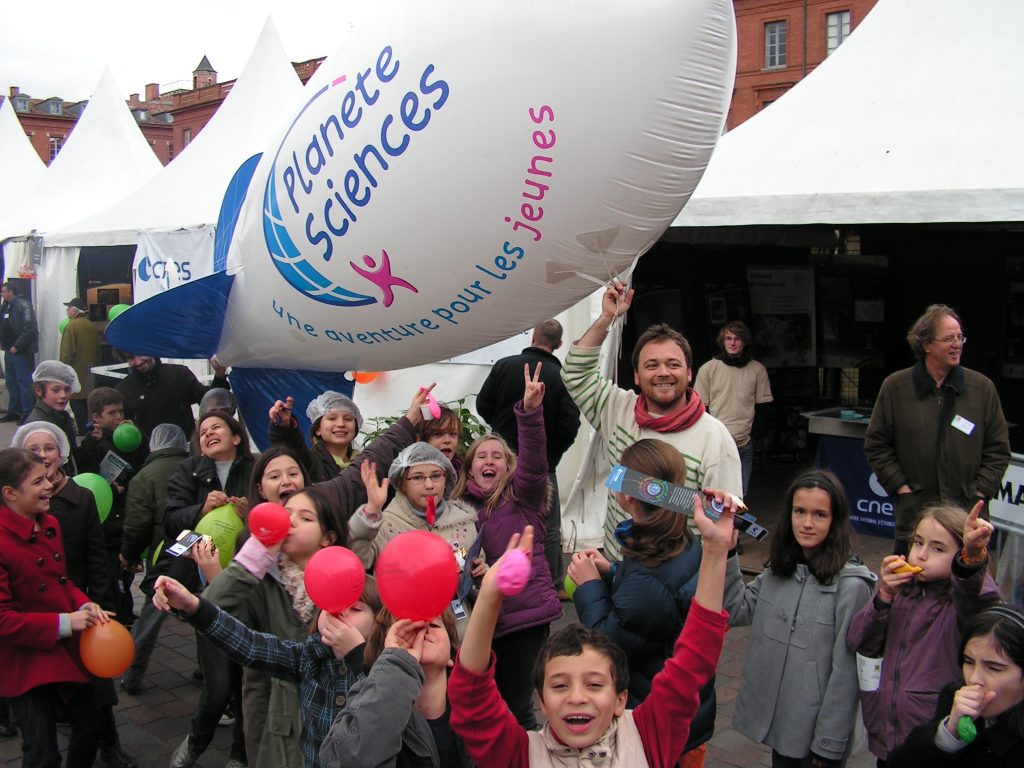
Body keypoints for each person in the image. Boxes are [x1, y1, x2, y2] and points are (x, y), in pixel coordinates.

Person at [449, 490, 736, 768]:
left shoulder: (648, 737)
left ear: (620, 699)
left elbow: (694, 661)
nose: (577, 697)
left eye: (595, 684)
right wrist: (489, 596)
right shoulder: (521, 756)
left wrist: (715, 550)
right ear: (543, 703)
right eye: (560, 685)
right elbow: (471, 698)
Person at [562, 278, 742, 559]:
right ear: (636, 376)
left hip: (677, 586)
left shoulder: (715, 438)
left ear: (689, 373)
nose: (663, 373)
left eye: (673, 364)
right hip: (617, 568)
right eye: (651, 365)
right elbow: (575, 374)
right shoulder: (617, 409)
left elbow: (727, 529)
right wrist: (607, 318)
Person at [567, 439, 715, 765]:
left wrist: (589, 586)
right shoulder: (674, 538)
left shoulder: (650, 573)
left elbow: (608, 644)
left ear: (628, 495)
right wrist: (613, 570)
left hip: (663, 728)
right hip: (684, 713)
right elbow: (652, 600)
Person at [723, 469, 875, 767]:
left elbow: (845, 673)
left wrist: (829, 742)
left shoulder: (851, 586)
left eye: (820, 515)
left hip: (817, 736)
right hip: (784, 727)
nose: (806, 523)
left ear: (835, 521)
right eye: (799, 511)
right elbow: (736, 609)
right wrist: (727, 553)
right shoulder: (781, 570)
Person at [153, 572, 380, 768]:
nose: (340, 613)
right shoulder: (308, 656)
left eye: (355, 608)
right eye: (333, 604)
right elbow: (250, 645)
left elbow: (386, 707)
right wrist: (192, 606)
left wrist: (356, 654)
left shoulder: (385, 669)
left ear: (379, 621)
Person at [12, 422, 138, 768]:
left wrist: (95, 604)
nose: (43, 456)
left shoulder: (73, 503)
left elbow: (87, 563)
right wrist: (66, 619)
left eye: (49, 448)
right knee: (40, 743)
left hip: (75, 620)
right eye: (34, 451)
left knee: (94, 708)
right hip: (32, 637)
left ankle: (109, 746)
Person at [847, 501, 1000, 763]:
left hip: (933, 739)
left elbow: (978, 603)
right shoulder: (902, 593)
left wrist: (972, 561)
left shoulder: (961, 601)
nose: (922, 554)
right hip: (887, 736)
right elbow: (858, 641)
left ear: (960, 554)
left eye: (938, 548)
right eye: (918, 542)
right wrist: (883, 596)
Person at [453, 362, 562, 729]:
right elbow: (450, 550)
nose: (488, 461)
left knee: (517, 707)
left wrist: (530, 414)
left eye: (496, 456)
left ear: (508, 467)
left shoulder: (523, 499)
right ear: (468, 469)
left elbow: (535, 463)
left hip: (522, 621)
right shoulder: (458, 511)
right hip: (476, 622)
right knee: (486, 706)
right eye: (480, 456)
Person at [864, 304, 1010, 554]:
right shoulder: (896, 387)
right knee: (910, 584)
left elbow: (998, 449)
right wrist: (902, 488)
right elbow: (876, 444)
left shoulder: (982, 389)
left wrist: (979, 491)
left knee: (966, 583)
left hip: (965, 514)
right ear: (926, 344)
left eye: (960, 337)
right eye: (948, 338)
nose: (957, 344)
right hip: (915, 514)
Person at [0, 447, 108, 768]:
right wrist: (65, 622)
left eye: (46, 477)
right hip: (24, 662)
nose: (49, 486)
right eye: (37, 482)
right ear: (10, 493)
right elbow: (3, 620)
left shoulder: (49, 524)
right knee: (42, 753)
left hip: (64, 650)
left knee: (92, 725)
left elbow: (62, 582)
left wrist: (85, 603)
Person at [162, 411, 254, 768]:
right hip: (206, 591)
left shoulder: (255, 468)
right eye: (203, 431)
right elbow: (171, 522)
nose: (209, 433)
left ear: (236, 436)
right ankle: (195, 743)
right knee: (216, 689)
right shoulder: (189, 471)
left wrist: (250, 512)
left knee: (250, 681)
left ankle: (239, 755)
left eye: (217, 427)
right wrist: (201, 509)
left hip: (249, 586)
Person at [477, 319, 581, 593]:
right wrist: (551, 453)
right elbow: (570, 424)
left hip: (501, 459)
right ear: (558, 345)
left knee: (497, 518)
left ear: (532, 336)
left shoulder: (503, 365)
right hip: (541, 463)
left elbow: (482, 404)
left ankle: (496, 579)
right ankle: (552, 586)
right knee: (547, 526)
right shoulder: (561, 377)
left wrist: (500, 431)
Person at [320, 609, 469, 768]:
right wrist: (398, 662)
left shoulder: (475, 707)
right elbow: (350, 760)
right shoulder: (361, 701)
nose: (421, 630)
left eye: (433, 624)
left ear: (451, 658)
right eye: (406, 629)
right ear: (384, 657)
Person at [887, 604, 1024, 767]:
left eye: (994, 668)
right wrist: (947, 735)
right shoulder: (953, 698)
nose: (974, 678)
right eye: (969, 662)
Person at [119, 424, 190, 694]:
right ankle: (206, 671)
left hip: (166, 551)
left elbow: (136, 526)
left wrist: (129, 555)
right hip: (195, 546)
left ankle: (133, 673)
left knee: (153, 610)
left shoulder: (143, 477)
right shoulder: (195, 467)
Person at [77, 387, 149, 625]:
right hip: (109, 517)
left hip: (126, 511)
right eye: (112, 413)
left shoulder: (127, 435)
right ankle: (121, 616)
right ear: (96, 417)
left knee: (126, 572)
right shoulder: (91, 443)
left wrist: (136, 440)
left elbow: (139, 463)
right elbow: (89, 474)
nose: (119, 417)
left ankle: (126, 610)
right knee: (113, 573)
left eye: (121, 411)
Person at [349, 444, 480, 574]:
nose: (429, 485)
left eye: (436, 476)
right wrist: (371, 511)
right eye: (417, 477)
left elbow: (474, 573)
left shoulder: (464, 524)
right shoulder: (386, 526)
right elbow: (358, 560)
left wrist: (480, 576)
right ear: (402, 484)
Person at [693, 321, 773, 496]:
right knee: (715, 493)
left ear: (744, 342)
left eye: (737, 338)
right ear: (722, 342)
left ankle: (734, 524)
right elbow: (700, 409)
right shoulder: (708, 369)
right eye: (728, 338)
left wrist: (753, 435)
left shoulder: (757, 370)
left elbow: (764, 406)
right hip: (717, 444)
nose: (732, 342)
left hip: (744, 442)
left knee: (740, 495)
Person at [116, 353, 231, 440]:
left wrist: (219, 376)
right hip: (147, 458)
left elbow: (208, 401)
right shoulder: (123, 389)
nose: (138, 362)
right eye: (130, 358)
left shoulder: (179, 374)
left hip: (186, 453)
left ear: (150, 347)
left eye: (140, 353)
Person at [268, 391, 362, 482]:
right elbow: (291, 446)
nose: (341, 424)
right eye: (332, 418)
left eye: (348, 419)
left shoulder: (365, 462)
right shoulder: (309, 462)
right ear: (318, 429)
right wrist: (284, 425)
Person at [27, 360, 80, 474]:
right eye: (56, 390)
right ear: (38, 390)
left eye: (67, 389)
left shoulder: (61, 417)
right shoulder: (39, 425)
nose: (63, 395)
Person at [59, 297, 100, 433]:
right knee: (88, 400)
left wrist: (62, 371)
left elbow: (66, 353)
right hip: (91, 371)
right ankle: (90, 427)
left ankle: (83, 430)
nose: (66, 311)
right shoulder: (90, 325)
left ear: (74, 311)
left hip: (76, 372)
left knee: (76, 401)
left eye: (68, 308)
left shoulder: (71, 326)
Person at [1, 282, 38, 424]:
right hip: (8, 350)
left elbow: (29, 329)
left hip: (20, 351)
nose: (2, 293)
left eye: (4, 291)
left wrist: (18, 345)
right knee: (11, 382)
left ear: (11, 292)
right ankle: (14, 411)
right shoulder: (6, 305)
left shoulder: (23, 305)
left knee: (24, 381)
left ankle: (27, 411)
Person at [418, 403, 465, 472]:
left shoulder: (463, 474)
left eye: (452, 434)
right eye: (438, 434)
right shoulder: (409, 474)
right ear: (421, 440)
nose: (447, 440)